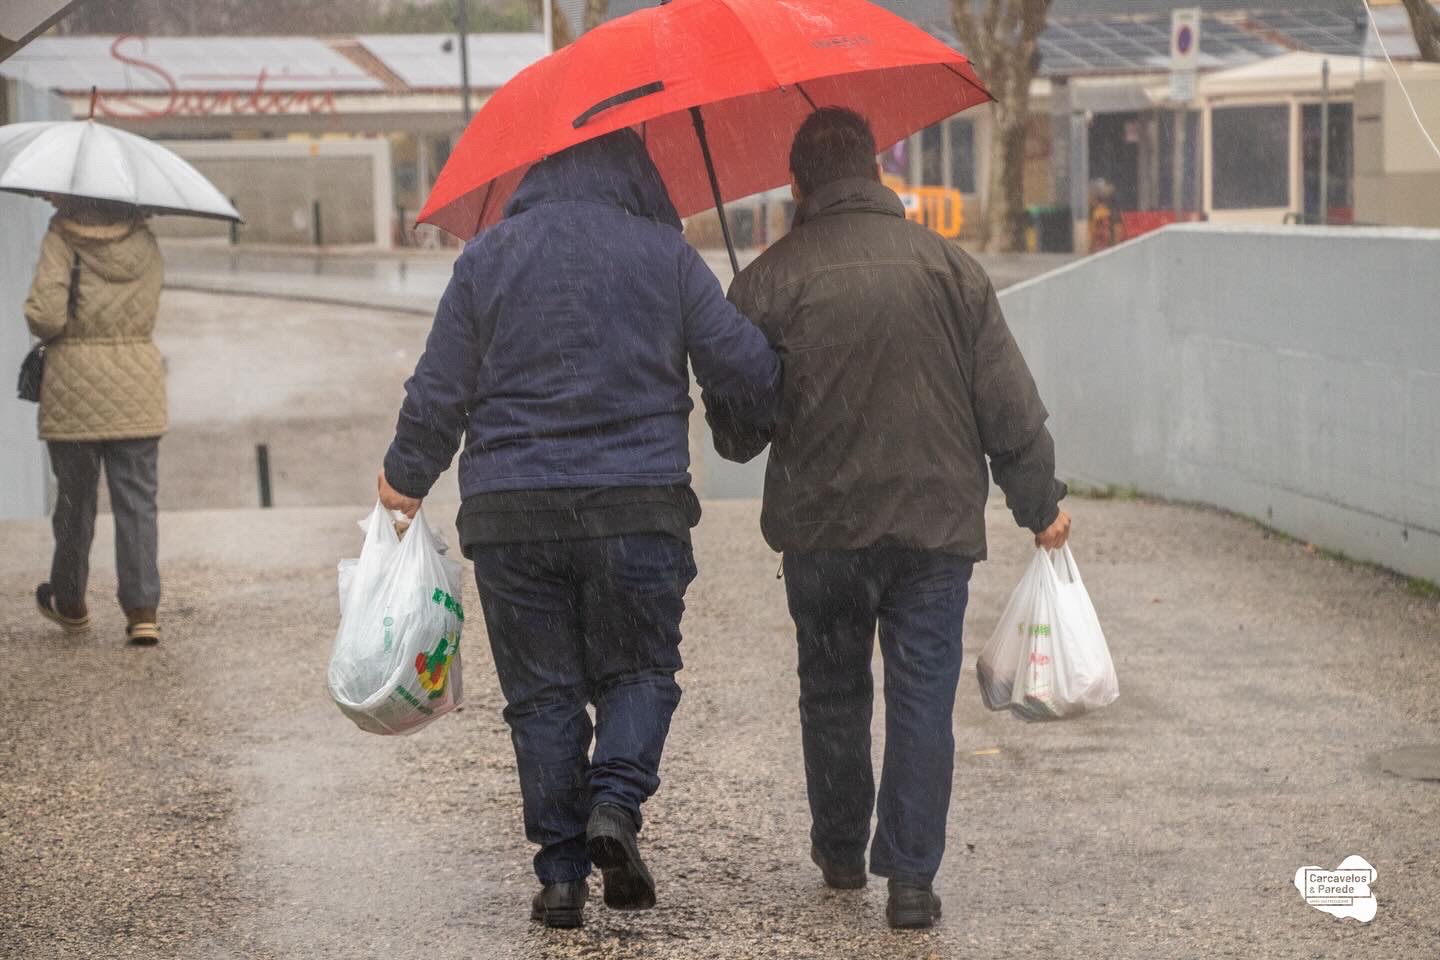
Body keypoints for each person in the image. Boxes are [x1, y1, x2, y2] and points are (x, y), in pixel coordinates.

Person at [377, 129, 780, 929]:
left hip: (512, 515)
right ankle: (615, 805)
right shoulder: (665, 255)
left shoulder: (486, 259)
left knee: (543, 695)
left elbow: (439, 390)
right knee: (639, 671)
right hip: (637, 507)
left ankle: (561, 878)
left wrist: (404, 478)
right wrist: (755, 373)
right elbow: (745, 368)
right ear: (636, 172)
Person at [708, 108, 1071, 930]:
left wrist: (745, 364)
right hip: (933, 528)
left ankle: (841, 849)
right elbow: (1007, 403)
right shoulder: (951, 268)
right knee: (922, 697)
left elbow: (737, 438)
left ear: (796, 184)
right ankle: (911, 878)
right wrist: (1039, 503)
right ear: (875, 172)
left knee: (832, 688)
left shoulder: (767, 280)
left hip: (822, 530)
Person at [26, 197, 166, 645]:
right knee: (137, 503)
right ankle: (143, 612)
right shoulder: (144, 240)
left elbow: (45, 317)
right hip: (137, 387)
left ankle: (70, 602)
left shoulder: (62, 237)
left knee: (75, 501)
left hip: (74, 386)